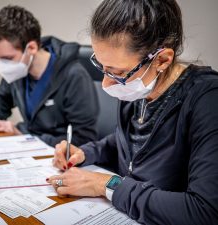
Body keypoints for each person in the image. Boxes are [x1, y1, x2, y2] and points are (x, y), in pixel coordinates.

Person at [47, 0, 218, 224]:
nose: (107, 84)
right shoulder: (137, 89)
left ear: (162, 60)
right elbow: (127, 144)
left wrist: (105, 185)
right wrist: (86, 152)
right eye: (101, 67)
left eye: (117, 72)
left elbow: (204, 212)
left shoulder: (208, 100)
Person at [0, 5, 99, 147]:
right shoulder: (18, 70)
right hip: (30, 152)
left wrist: (24, 134)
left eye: (8, 58)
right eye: (0, 59)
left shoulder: (74, 75)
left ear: (31, 48)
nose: (4, 65)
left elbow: (83, 139)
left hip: (59, 157)